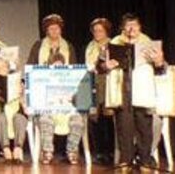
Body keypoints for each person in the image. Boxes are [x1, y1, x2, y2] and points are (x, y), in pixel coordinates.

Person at [99, 13, 167, 170]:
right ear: (123, 28)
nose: (132, 29)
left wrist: (159, 62)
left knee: (144, 127)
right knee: (124, 128)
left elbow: (161, 69)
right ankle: (126, 160)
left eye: (135, 25)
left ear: (140, 27)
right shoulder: (113, 43)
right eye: (128, 26)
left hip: (142, 90)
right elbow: (99, 66)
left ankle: (145, 161)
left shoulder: (148, 43)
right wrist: (105, 65)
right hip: (122, 90)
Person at [26, 14, 84, 165]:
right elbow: (30, 70)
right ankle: (47, 151)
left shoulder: (68, 46)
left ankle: (72, 151)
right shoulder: (38, 46)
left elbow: (74, 72)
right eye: (51, 28)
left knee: (77, 119)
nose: (54, 31)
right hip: (45, 98)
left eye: (57, 28)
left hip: (66, 102)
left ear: (61, 30)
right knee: (45, 118)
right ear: (46, 30)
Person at [85, 17, 115, 164]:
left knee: (108, 119)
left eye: (100, 30)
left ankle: (110, 151)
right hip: (92, 83)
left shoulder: (112, 44)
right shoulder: (90, 46)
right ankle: (99, 152)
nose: (97, 33)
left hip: (108, 83)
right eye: (95, 30)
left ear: (106, 31)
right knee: (94, 119)